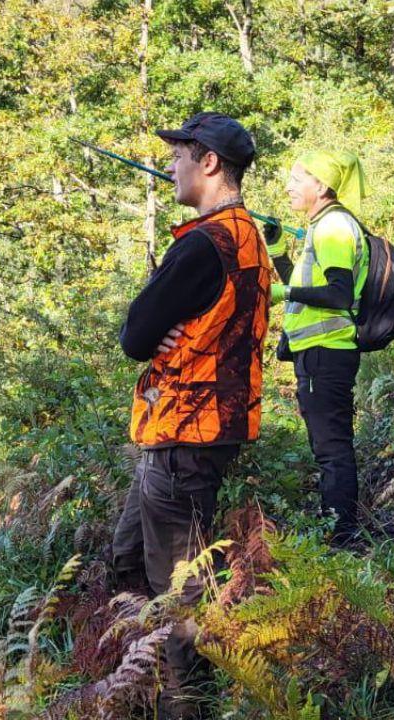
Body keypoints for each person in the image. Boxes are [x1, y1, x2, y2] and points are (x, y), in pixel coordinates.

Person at [110, 112, 272, 718]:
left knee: (180, 588)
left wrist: (157, 329)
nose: (170, 165)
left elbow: (135, 333)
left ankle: (190, 703)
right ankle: (137, 684)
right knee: (128, 560)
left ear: (209, 162)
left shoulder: (204, 243)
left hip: (185, 431)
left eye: (179, 153)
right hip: (204, 429)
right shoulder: (247, 236)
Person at [271, 150, 369, 545]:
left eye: (297, 178)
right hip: (320, 352)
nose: (289, 186)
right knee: (328, 446)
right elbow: (308, 288)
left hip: (327, 353)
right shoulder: (323, 227)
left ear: (322, 186)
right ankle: (339, 533)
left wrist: (282, 291)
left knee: (332, 450)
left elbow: (338, 293)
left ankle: (342, 540)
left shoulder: (332, 227)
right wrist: (279, 254)